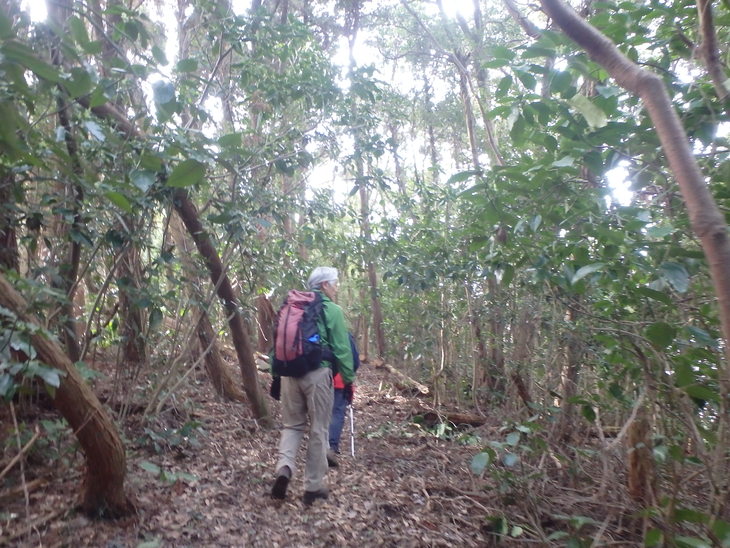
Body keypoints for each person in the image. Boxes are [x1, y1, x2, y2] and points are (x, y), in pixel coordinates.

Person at [271, 266, 355, 506]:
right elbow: (342, 349)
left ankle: (284, 468)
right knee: (319, 429)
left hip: (289, 374)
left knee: (292, 425)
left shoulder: (292, 307)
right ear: (325, 285)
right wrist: (347, 379)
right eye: (335, 283)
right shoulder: (332, 310)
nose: (337, 287)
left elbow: (276, 344)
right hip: (318, 374)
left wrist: (277, 375)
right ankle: (313, 487)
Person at [327, 333, 358, 467]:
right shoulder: (345, 336)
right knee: (337, 412)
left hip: (320, 379)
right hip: (340, 380)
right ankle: (331, 447)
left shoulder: (320, 331)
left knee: (322, 412)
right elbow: (355, 361)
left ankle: (321, 446)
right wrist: (349, 376)